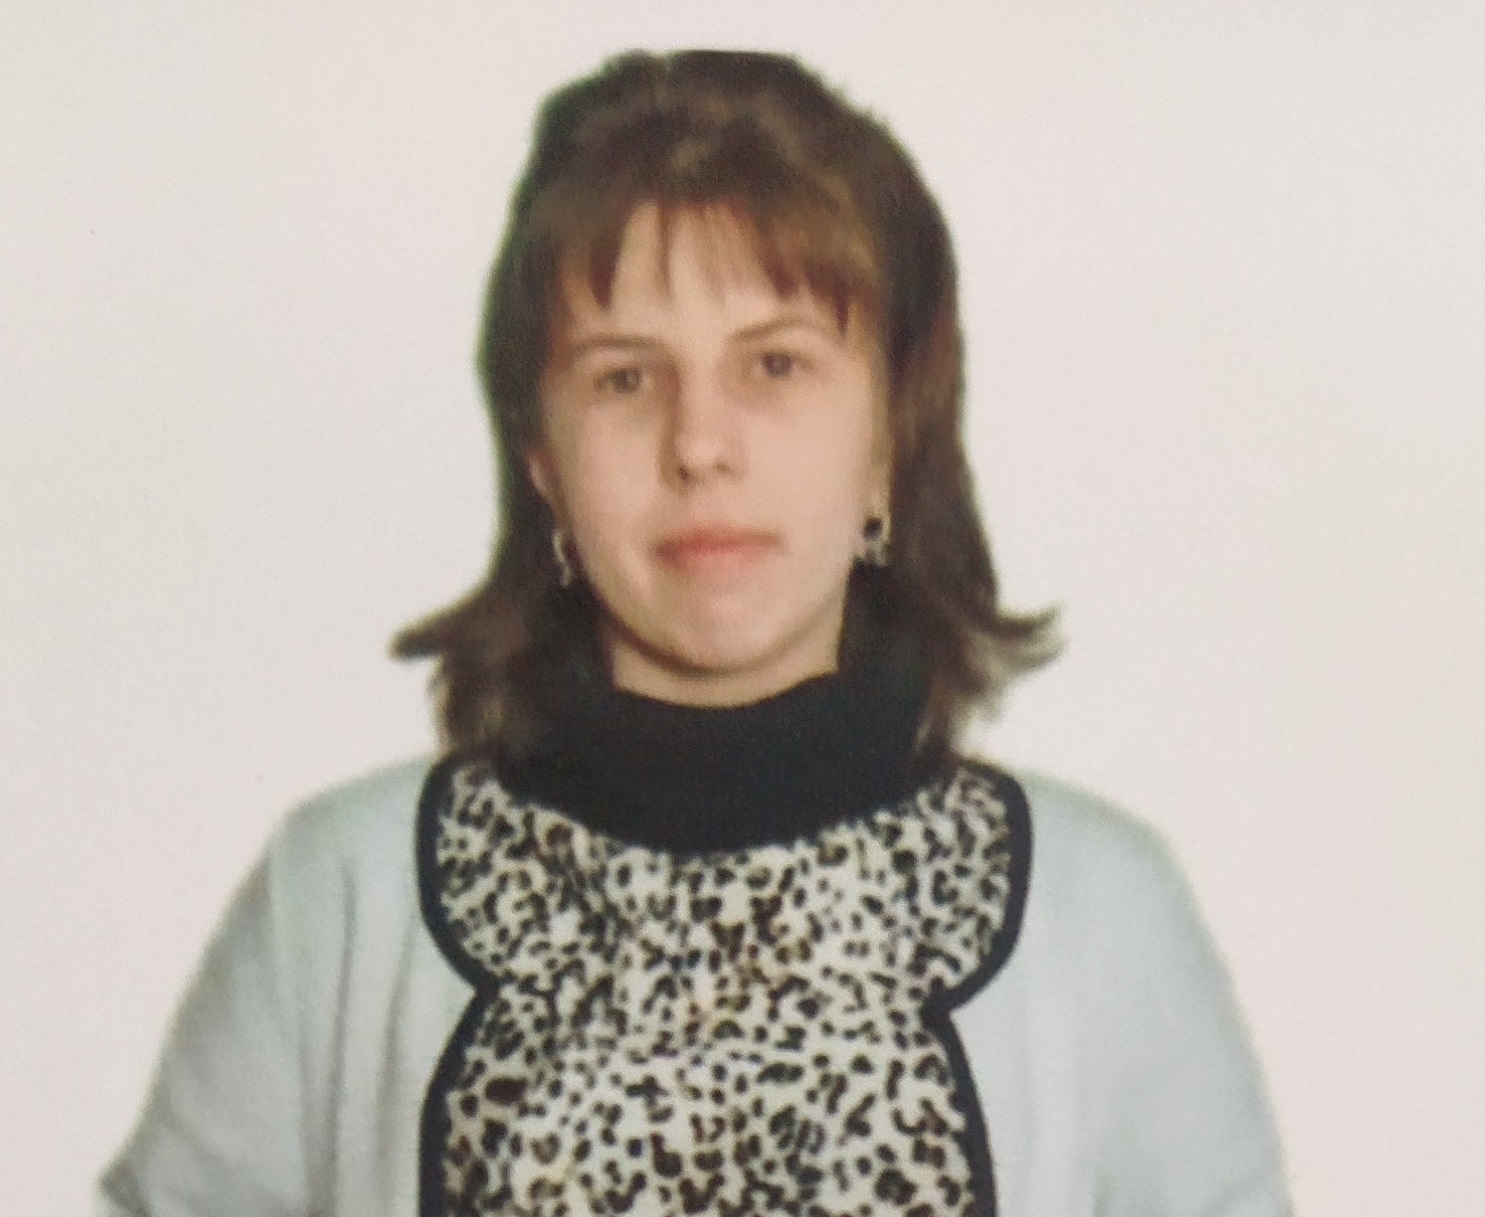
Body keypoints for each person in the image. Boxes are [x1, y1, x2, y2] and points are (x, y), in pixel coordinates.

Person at [97, 50, 1291, 1217]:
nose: (700, 444)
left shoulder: (1100, 918)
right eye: (626, 378)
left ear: (890, 437)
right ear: (542, 459)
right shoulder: (341, 904)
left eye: (775, 364)